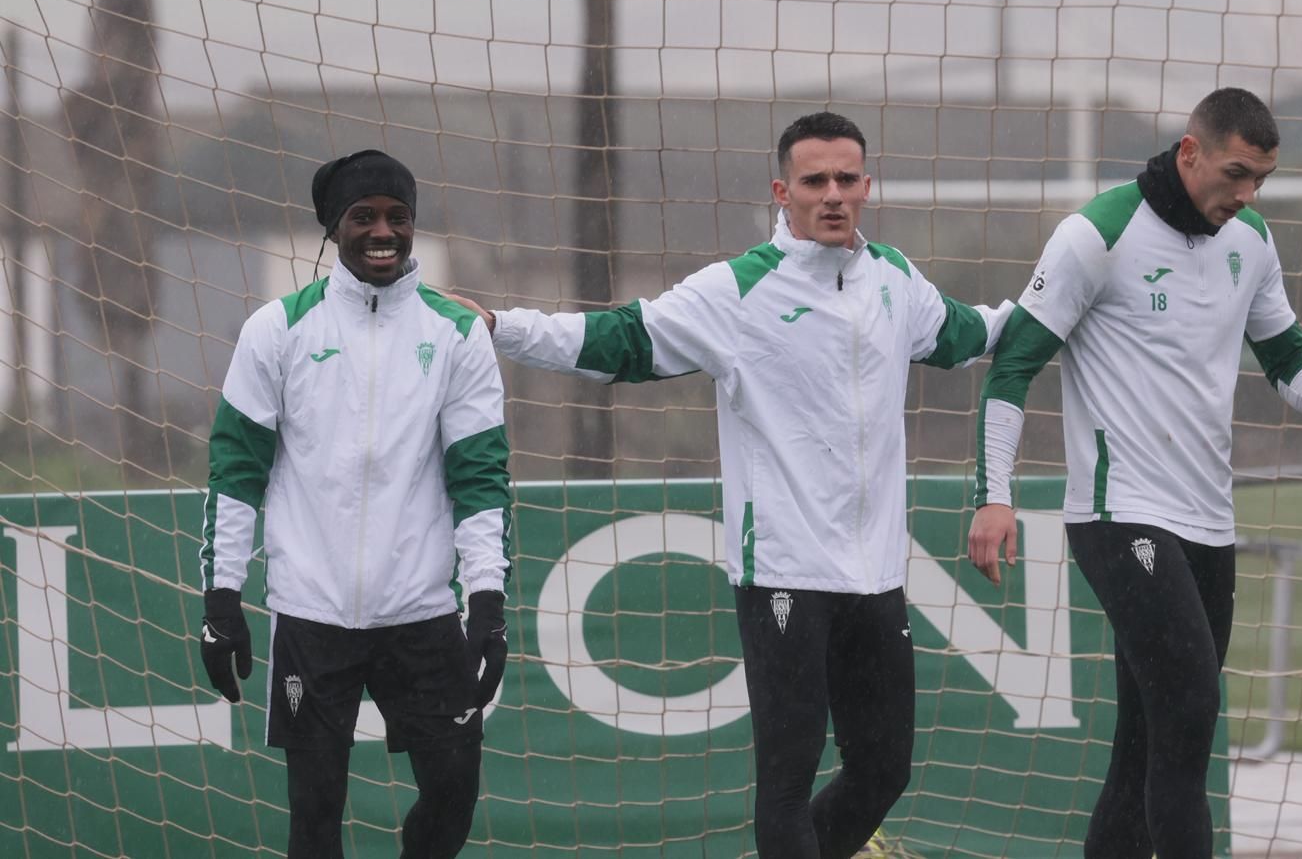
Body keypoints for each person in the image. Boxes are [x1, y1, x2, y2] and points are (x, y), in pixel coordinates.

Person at [467, 111, 1011, 859]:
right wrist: (500, 326)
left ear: (867, 187)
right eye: (814, 181)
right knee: (787, 783)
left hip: (878, 575)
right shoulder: (737, 289)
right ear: (782, 192)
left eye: (846, 179)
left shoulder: (894, 280)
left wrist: (1066, 311)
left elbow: (972, 332)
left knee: (885, 770)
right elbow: (620, 339)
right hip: (783, 574)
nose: (832, 195)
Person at [966, 88, 1302, 859]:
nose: (1248, 193)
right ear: (1190, 152)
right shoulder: (1098, 233)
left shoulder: (1250, 238)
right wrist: (995, 496)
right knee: (1191, 704)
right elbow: (1012, 368)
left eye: (1261, 179)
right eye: (1236, 172)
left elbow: (1285, 354)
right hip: (1120, 516)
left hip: (1207, 521)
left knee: (1147, 739)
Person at [197, 149, 513, 859]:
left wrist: (486, 602)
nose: (383, 232)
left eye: (398, 217)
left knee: (454, 792)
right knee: (315, 813)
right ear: (333, 229)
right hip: (313, 613)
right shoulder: (277, 329)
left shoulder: (456, 334)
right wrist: (222, 601)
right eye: (363, 216)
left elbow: (480, 477)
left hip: (422, 613)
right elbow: (235, 471)